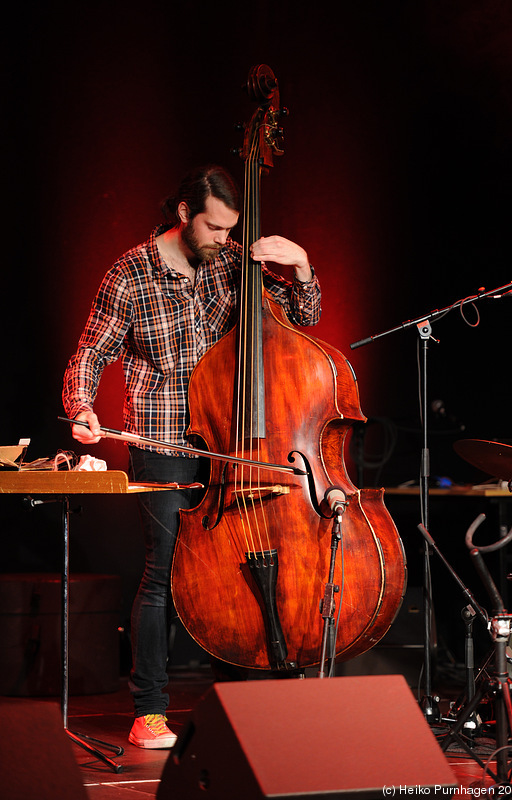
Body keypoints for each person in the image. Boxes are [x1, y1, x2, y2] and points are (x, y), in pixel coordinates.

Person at [62, 164, 321, 749]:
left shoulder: (233, 264)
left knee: (237, 568)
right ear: (184, 213)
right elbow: (90, 351)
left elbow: (304, 319)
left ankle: (242, 701)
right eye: (214, 227)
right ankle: (148, 710)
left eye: (232, 230)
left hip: (233, 445)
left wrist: (301, 265)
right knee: (167, 574)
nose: (225, 241)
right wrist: (81, 408)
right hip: (164, 444)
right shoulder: (130, 272)